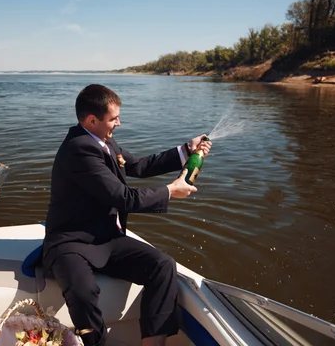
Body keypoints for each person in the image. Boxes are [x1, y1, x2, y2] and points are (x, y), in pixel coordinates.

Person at [42, 84, 212, 346]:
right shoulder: (79, 150)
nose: (118, 123)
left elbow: (139, 166)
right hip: (71, 241)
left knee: (162, 265)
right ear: (91, 120)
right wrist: (170, 191)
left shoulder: (103, 139)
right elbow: (124, 197)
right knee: (83, 291)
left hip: (106, 236)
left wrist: (186, 150)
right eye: (113, 119)